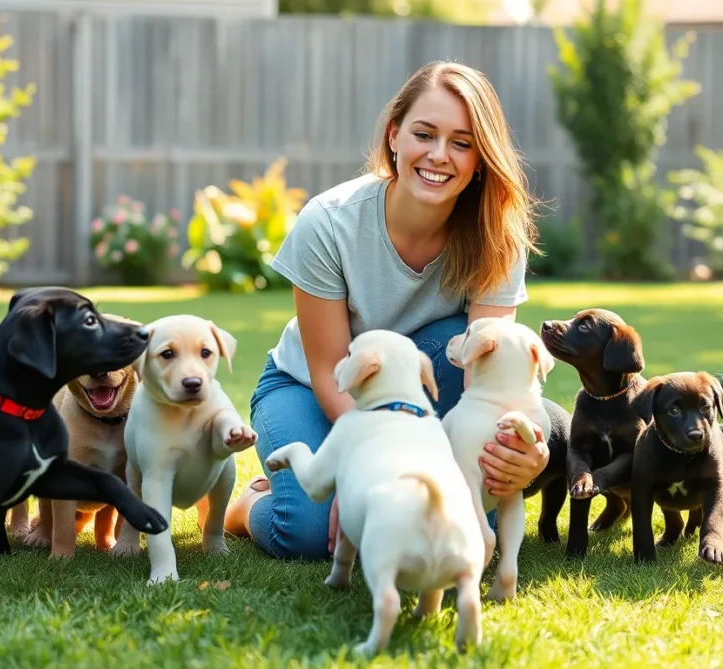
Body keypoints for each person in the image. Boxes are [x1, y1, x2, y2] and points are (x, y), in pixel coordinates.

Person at [222, 60, 550, 560]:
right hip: (311, 386)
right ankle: (249, 505)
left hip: (428, 375)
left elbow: (489, 373)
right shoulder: (328, 223)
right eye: (424, 134)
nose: (438, 155)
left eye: (462, 143)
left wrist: (525, 455)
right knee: (310, 532)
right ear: (394, 135)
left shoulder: (496, 237)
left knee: (464, 513)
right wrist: (366, 457)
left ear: (481, 158)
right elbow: (331, 371)